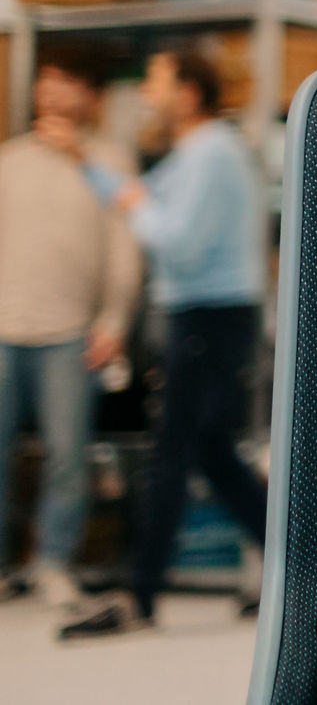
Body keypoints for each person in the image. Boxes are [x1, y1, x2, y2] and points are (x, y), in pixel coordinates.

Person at [40, 47, 268, 638]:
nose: (145, 92)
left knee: (171, 452)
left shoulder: (211, 153)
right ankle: (302, 570)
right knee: (214, 454)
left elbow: (176, 242)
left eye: (155, 82)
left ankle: (138, 596)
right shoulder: (197, 152)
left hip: (208, 317)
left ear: (188, 94)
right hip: (211, 317)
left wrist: (135, 204)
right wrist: (87, 161)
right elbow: (138, 192)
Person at [0, 46, 142, 610]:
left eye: (67, 81)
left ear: (91, 95)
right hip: (4, 327)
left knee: (67, 456)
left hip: (72, 334)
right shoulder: (10, 160)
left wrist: (114, 320)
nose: (53, 91)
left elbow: (126, 247)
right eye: (47, 80)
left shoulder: (110, 163)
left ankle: (53, 564)